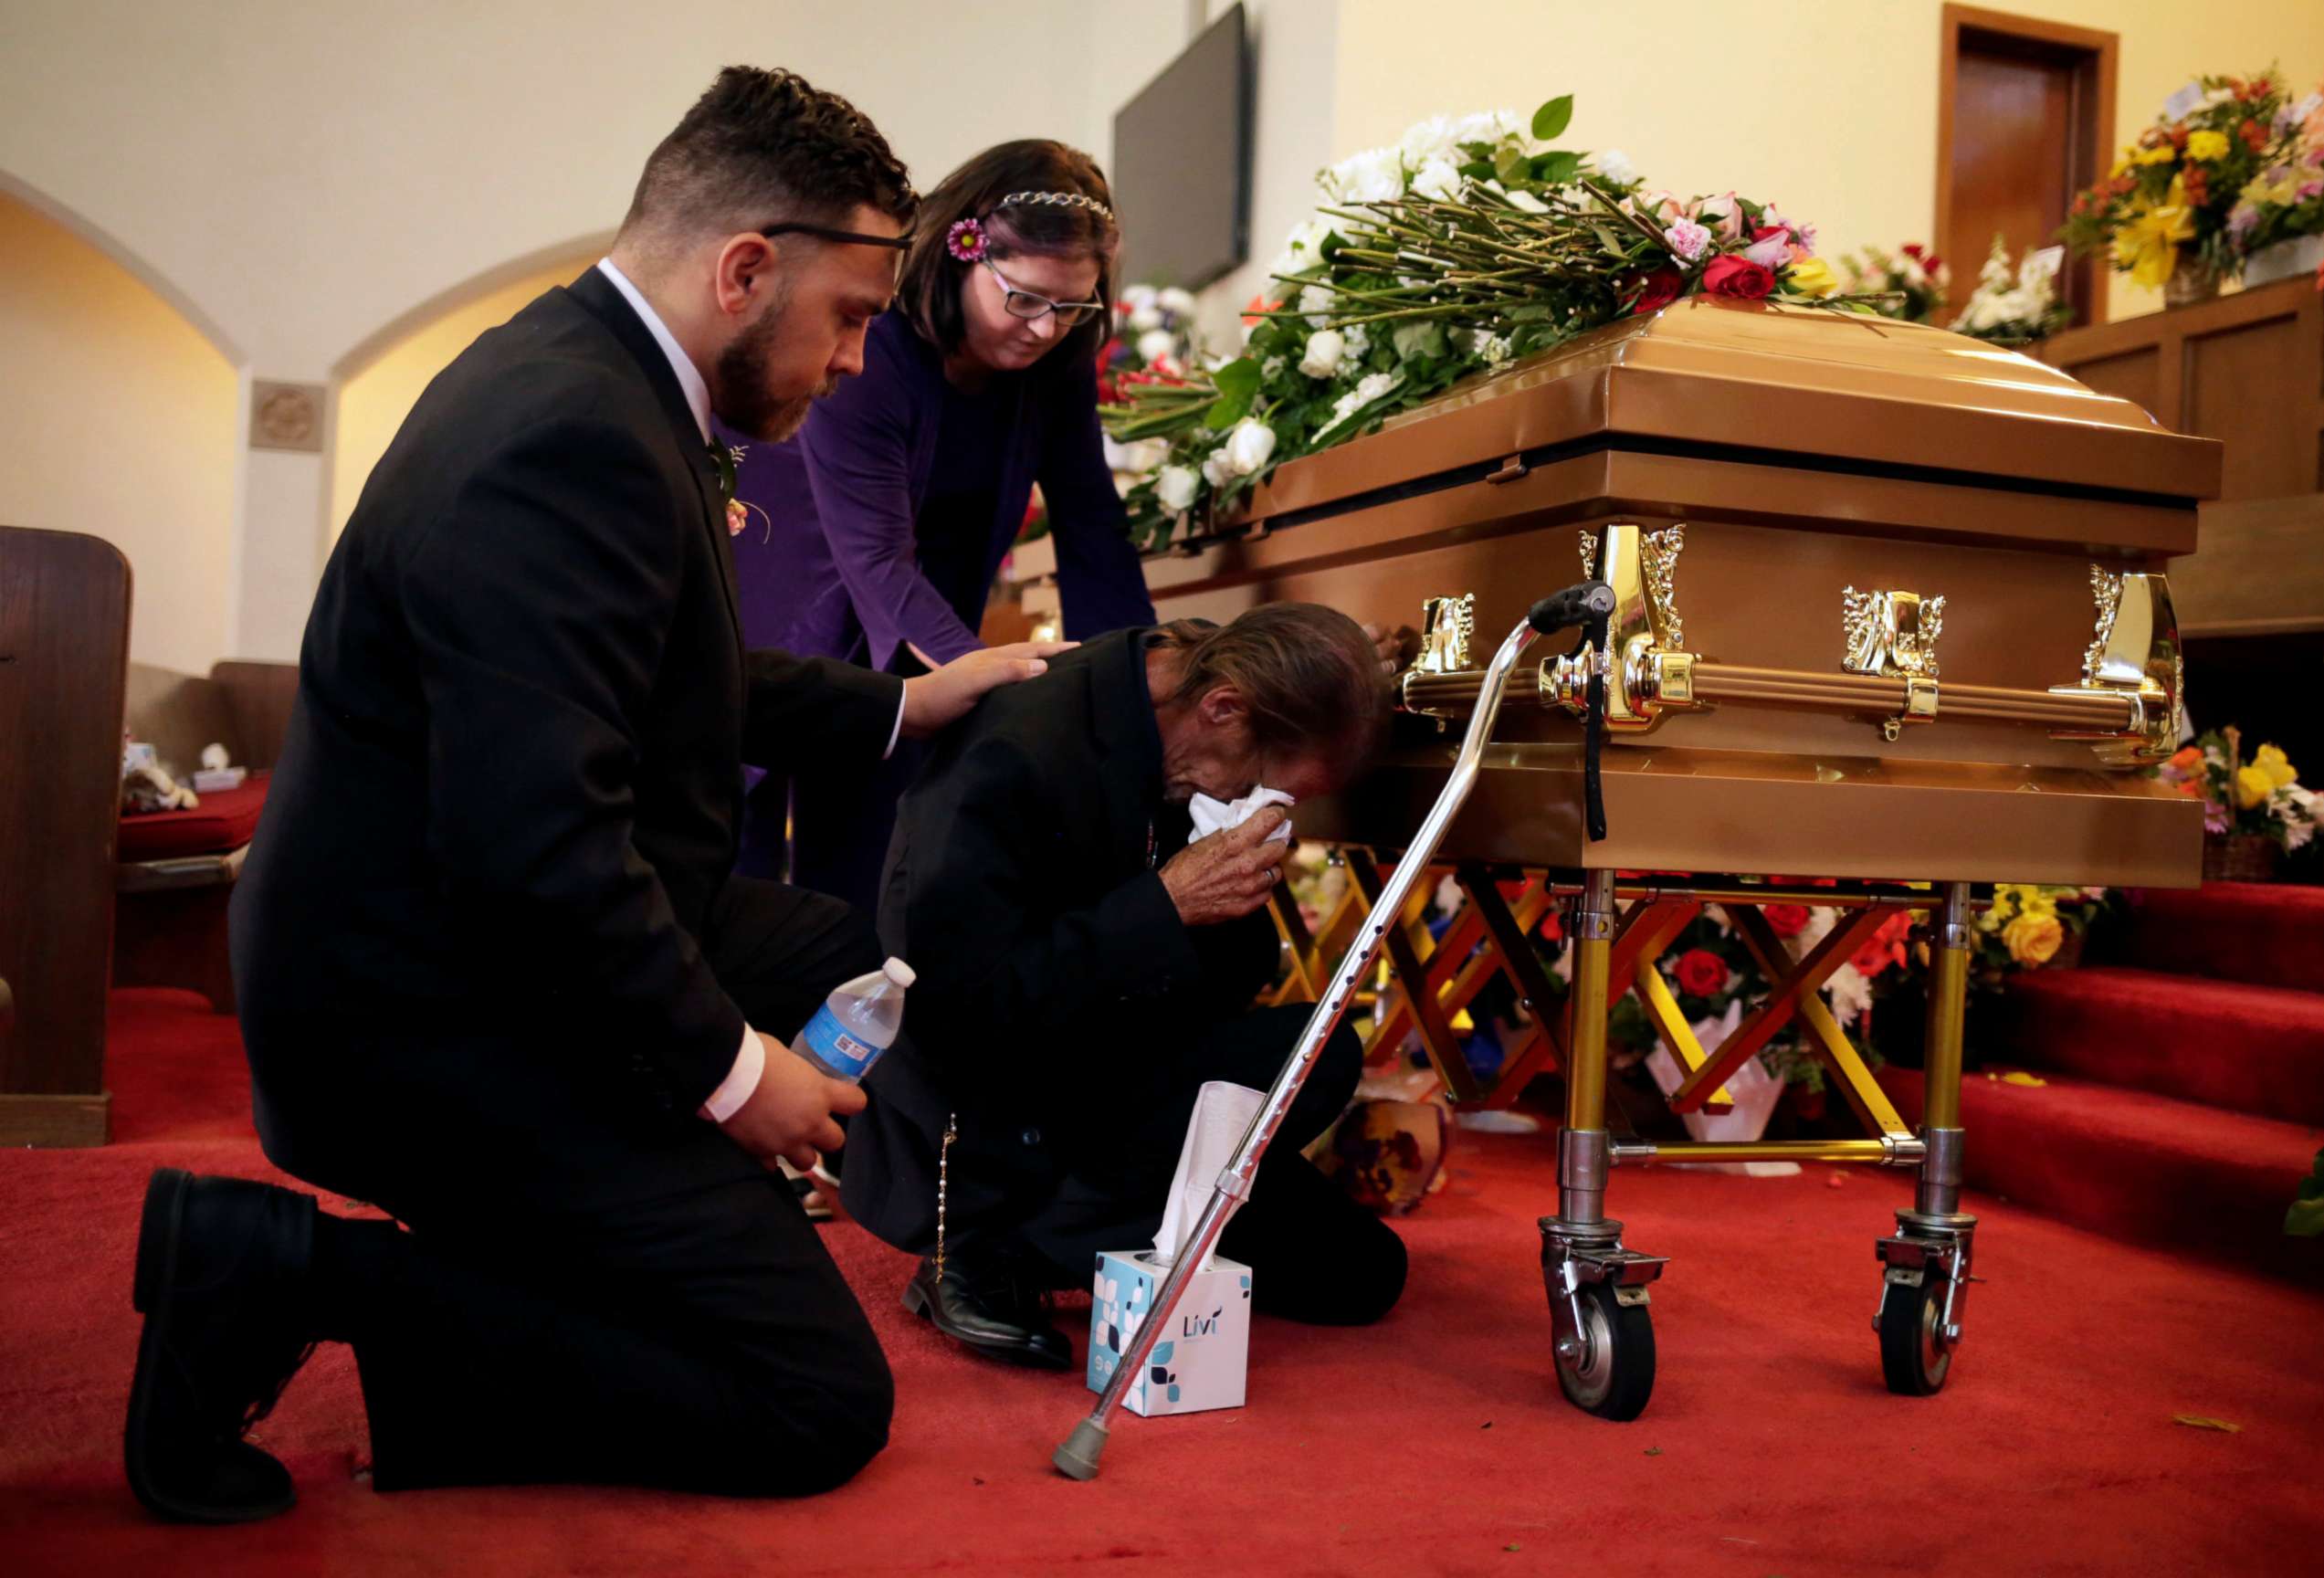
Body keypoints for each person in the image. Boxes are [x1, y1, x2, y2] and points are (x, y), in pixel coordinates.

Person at [123, 68, 1066, 1523]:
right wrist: (742, 1081)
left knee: (837, 951)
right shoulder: (566, 435)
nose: (861, 364)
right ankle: (279, 1269)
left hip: (461, 939)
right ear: (746, 268)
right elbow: (535, 852)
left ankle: (684, 1207)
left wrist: (911, 697)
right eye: (854, 319)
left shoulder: (601, 383)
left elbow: (677, 670)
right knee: (813, 1397)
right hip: (417, 1015)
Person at [839, 605, 1411, 1369]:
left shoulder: (1179, 704)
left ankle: (1084, 1233)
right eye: (1260, 780)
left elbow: (1218, 988)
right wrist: (1165, 905)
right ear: (1224, 707)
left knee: (1361, 1271)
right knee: (1304, 1075)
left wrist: (1219, 892)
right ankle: (988, 1248)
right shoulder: (1021, 748)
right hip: (987, 1113)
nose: (1253, 797)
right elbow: (957, 1009)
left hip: (1106, 1058)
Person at [717, 139, 1153, 905]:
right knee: (741, 858)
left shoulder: (1053, 356)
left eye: (1071, 307)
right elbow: (877, 560)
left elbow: (1091, 525)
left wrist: (1138, 686)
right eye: (1024, 299)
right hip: (800, 585)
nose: (1045, 329)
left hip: (926, 611)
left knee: (873, 880)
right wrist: (1015, 687)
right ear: (963, 254)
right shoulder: (871, 347)